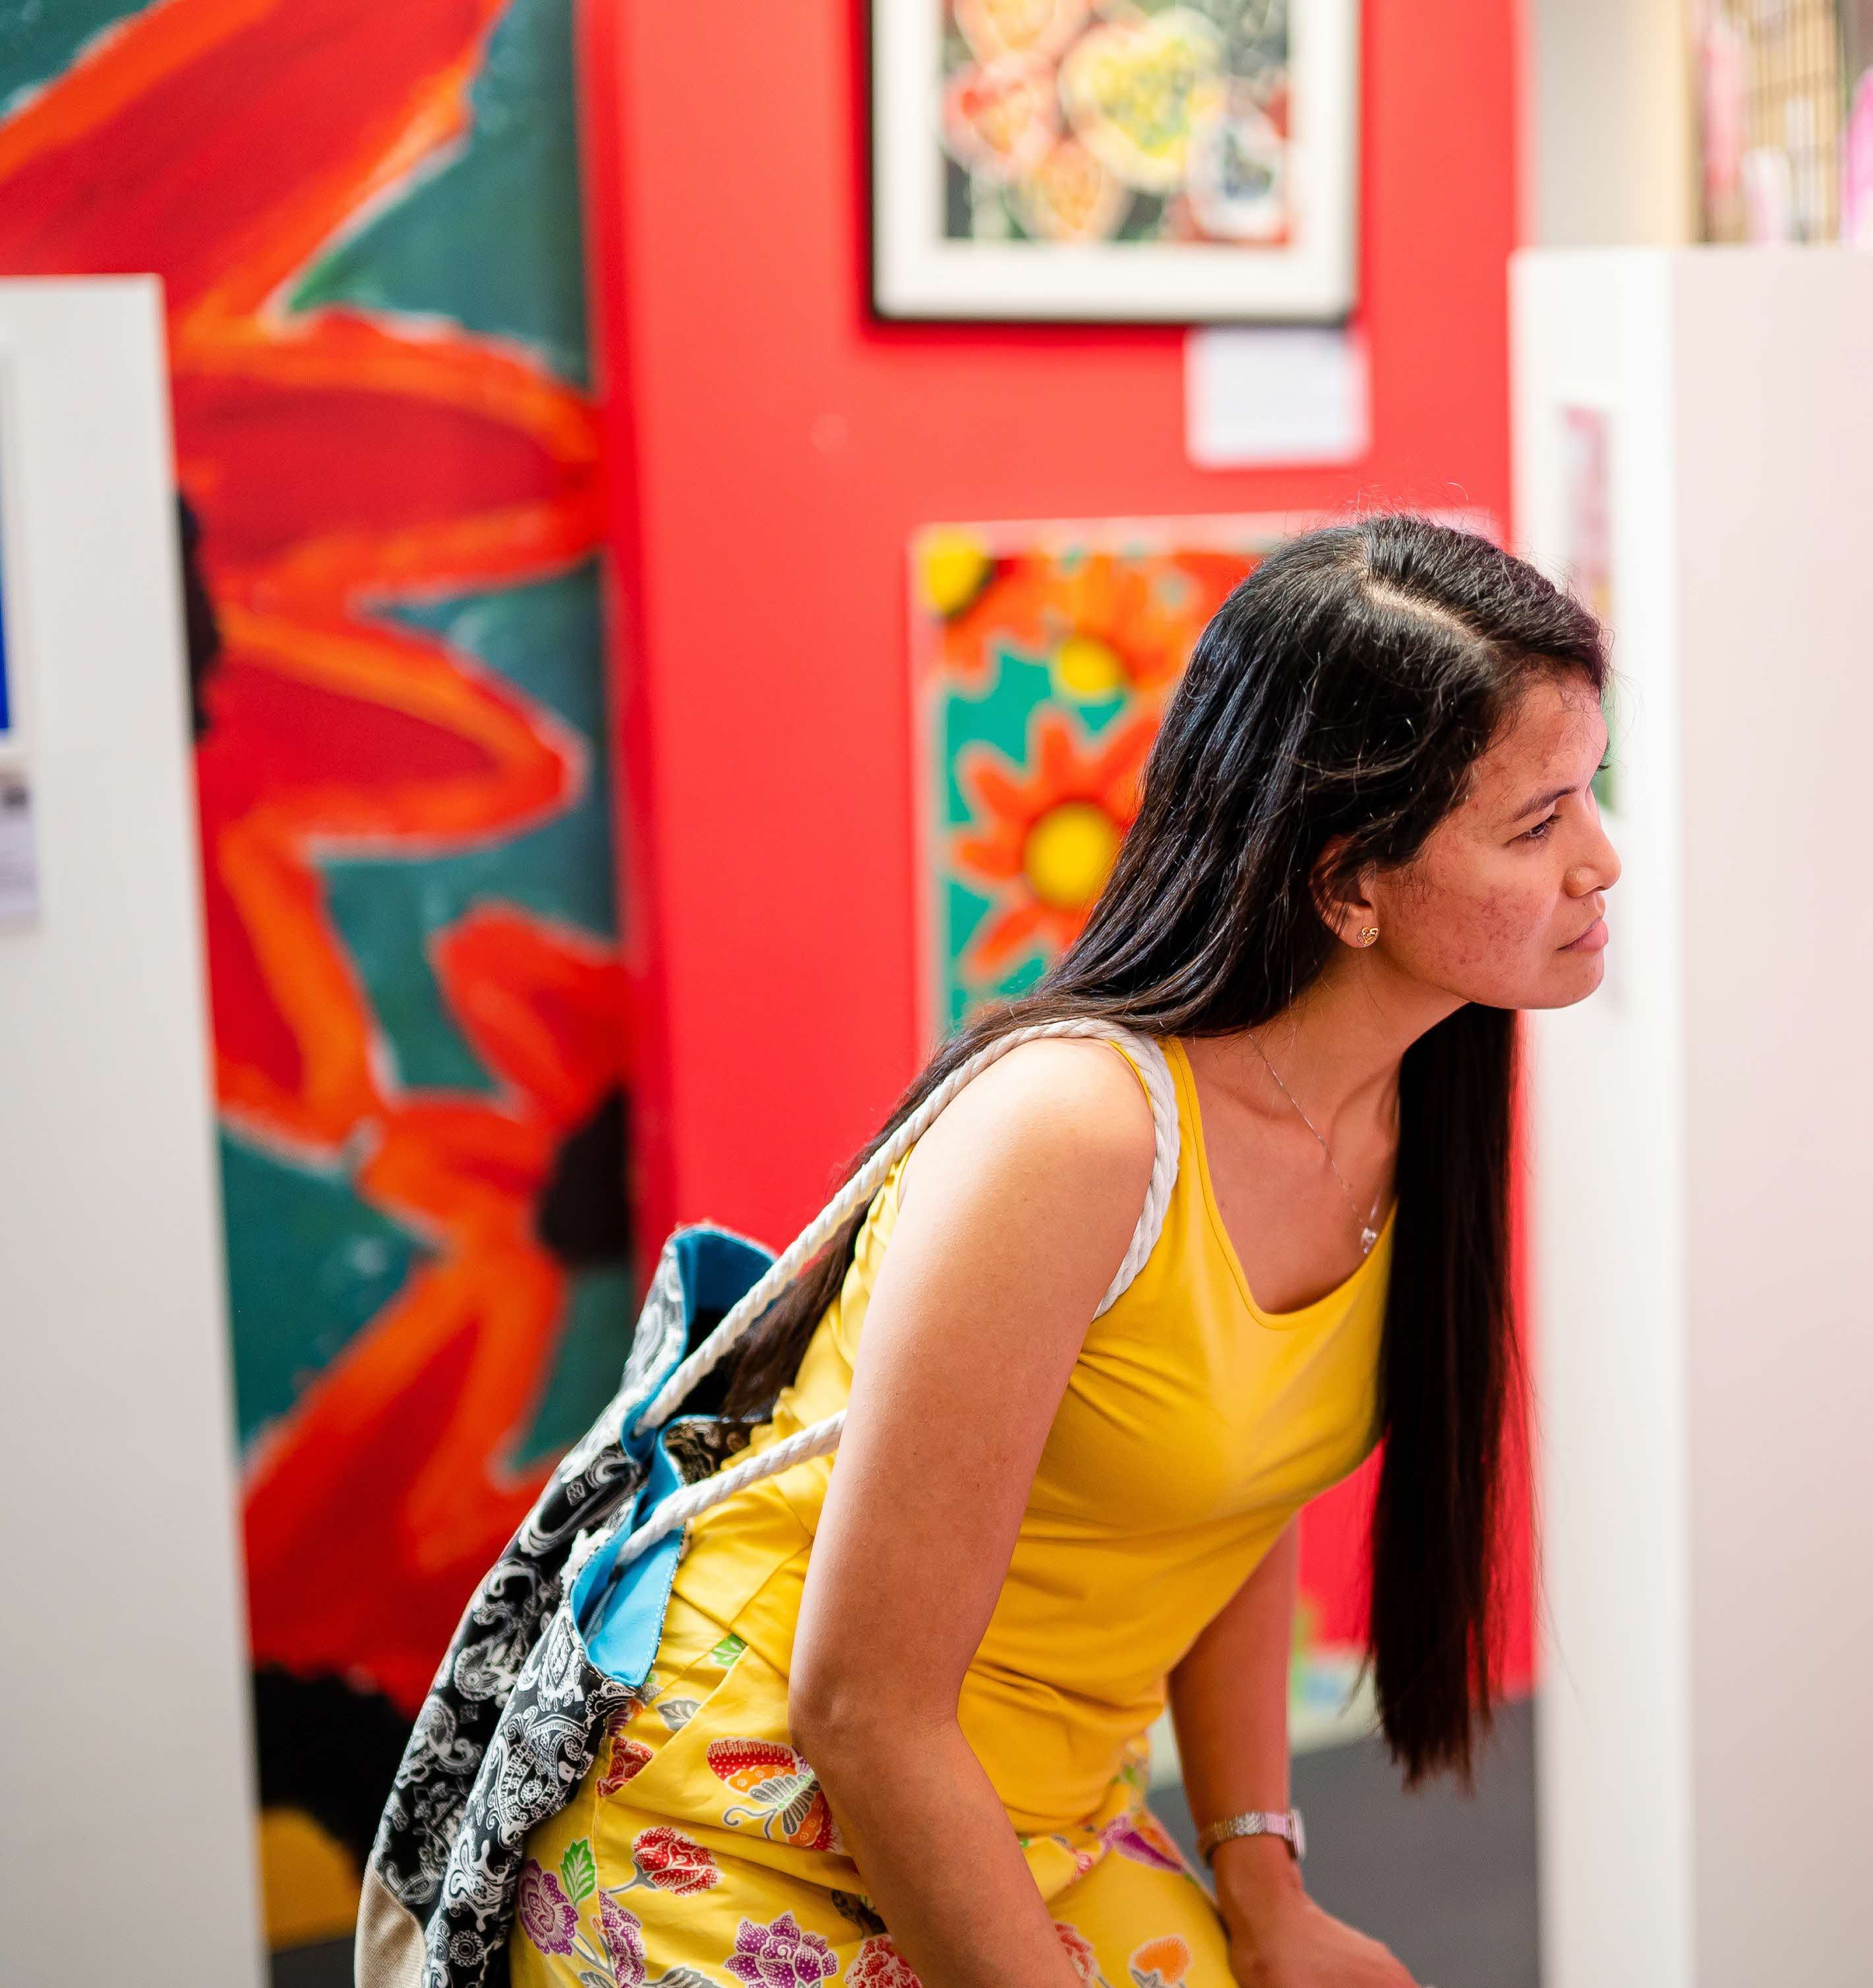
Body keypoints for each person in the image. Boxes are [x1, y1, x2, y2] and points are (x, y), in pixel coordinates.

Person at [507, 515, 1617, 1988]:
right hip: (744, 1822)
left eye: (1588, 795)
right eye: (1537, 824)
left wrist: (1261, 1878)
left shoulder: (1405, 1098)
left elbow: (1232, 1481)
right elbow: (859, 1707)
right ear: (1348, 885)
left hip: (1041, 1806)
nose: (1601, 860)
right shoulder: (1076, 1135)